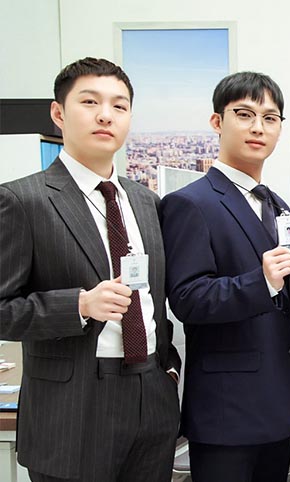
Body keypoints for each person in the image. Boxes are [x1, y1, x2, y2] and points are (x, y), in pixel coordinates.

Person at [0, 57, 181, 481]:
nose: (105, 115)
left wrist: (168, 369)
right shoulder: (22, 200)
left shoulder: (147, 202)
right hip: (73, 408)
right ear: (58, 113)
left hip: (151, 394)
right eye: (89, 102)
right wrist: (79, 305)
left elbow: (155, 300)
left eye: (119, 105)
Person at [159, 71, 290, 482]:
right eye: (245, 114)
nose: (258, 127)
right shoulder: (190, 203)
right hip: (226, 411)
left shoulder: (278, 205)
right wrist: (261, 282)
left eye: (270, 118)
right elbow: (187, 298)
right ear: (217, 121)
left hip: (279, 401)